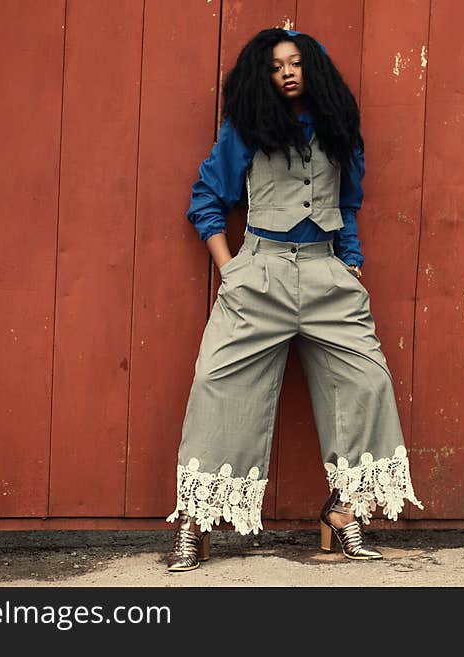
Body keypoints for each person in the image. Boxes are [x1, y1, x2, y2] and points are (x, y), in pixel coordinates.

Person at [166, 27, 422, 572]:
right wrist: (230, 268)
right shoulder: (247, 129)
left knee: (367, 381)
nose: (287, 71)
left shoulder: (338, 129)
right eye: (276, 65)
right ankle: (195, 521)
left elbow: (348, 203)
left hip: (328, 272)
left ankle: (344, 513)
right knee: (218, 383)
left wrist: (350, 266)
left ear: (313, 69)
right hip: (259, 272)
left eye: (296, 62)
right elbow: (207, 198)